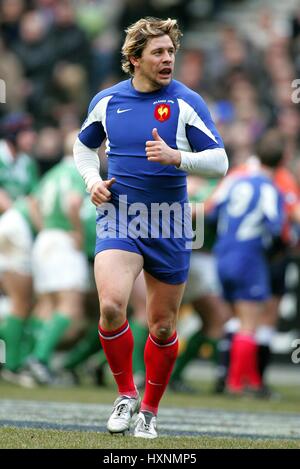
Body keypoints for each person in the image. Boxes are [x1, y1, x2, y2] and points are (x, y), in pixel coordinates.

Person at [73, 17, 228, 439]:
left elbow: (220, 162)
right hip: (120, 216)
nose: (167, 60)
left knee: (162, 326)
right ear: (134, 58)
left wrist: (178, 158)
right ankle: (125, 393)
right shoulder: (107, 101)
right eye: (158, 52)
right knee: (111, 307)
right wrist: (92, 182)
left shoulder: (186, 101)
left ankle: (150, 411)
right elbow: (83, 146)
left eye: (171, 52)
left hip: (170, 222)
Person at [208, 129, 285, 395]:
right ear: (281, 160)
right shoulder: (269, 188)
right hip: (248, 256)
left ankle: (242, 377)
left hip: (222, 254)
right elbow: (276, 227)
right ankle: (235, 383)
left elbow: (211, 213)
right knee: (250, 322)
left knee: (234, 320)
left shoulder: (235, 180)